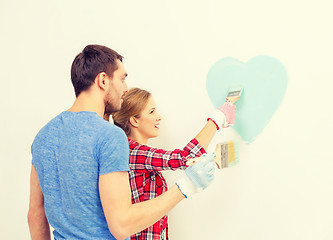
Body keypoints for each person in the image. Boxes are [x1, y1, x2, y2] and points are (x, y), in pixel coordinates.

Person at [27, 44, 217, 240]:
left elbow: (35, 214)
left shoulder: (43, 136)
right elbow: (121, 224)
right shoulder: (109, 136)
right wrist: (185, 187)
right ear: (103, 80)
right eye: (122, 79)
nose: (125, 89)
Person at [110, 88, 237, 240]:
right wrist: (219, 117)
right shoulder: (132, 152)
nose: (159, 117)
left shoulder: (137, 155)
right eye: (152, 112)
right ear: (134, 120)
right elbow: (185, 157)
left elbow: (188, 160)